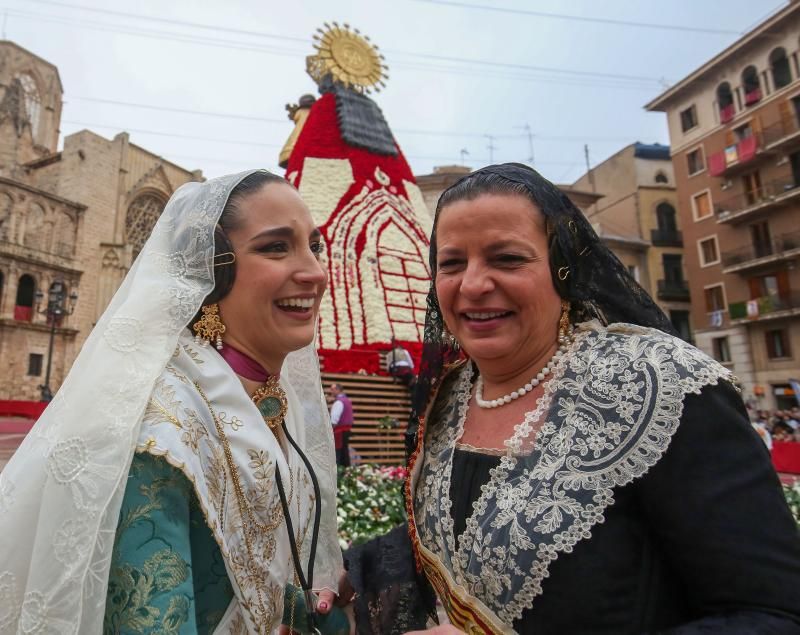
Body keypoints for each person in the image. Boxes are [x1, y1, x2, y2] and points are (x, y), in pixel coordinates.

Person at [344, 164, 800, 634]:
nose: (473, 285)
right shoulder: (447, 396)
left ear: (563, 269)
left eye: (506, 259)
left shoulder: (661, 385)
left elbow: (775, 616)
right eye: (452, 263)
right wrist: (349, 575)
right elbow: (461, 544)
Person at [0, 170, 347, 634]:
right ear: (213, 272)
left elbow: (252, 584)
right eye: (276, 247)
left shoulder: (269, 402)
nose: (315, 273)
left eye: (314, 246)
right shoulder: (160, 434)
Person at [328, 383, 354, 467]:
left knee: (338, 454)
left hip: (339, 432)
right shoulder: (347, 400)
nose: (330, 391)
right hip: (345, 431)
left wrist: (328, 432)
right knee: (344, 453)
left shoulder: (339, 402)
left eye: (332, 389)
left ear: (338, 390)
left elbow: (334, 421)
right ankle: (345, 472)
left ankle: (339, 473)